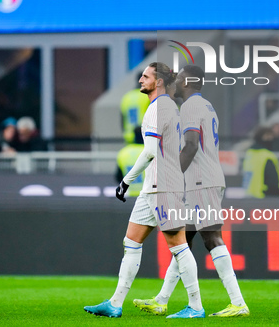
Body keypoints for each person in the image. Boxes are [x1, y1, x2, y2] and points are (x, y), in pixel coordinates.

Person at [84, 62, 204, 319]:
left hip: (164, 187)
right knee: (131, 242)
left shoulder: (158, 108)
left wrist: (126, 180)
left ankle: (196, 307)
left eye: (146, 76)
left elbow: (150, 150)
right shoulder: (169, 106)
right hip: (154, 186)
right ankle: (115, 303)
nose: (140, 79)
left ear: (158, 81)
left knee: (178, 246)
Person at [133, 65, 250, 318]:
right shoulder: (206, 106)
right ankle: (162, 300)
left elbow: (191, 145)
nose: (176, 79)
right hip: (202, 180)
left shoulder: (190, 107)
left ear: (188, 81)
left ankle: (238, 302)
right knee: (183, 241)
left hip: (200, 182)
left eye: (180, 76)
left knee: (212, 238)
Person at [242, 126, 279, 198]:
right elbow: (272, 181)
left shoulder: (249, 153)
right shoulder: (267, 156)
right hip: (264, 199)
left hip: (249, 197)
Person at [120, 73, 151, 144]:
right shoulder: (148, 97)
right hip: (145, 137)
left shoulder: (126, 97)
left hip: (129, 138)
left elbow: (122, 119)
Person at [115, 127, 145, 197]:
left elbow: (118, 177)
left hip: (129, 194)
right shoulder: (149, 152)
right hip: (147, 194)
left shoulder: (123, 152)